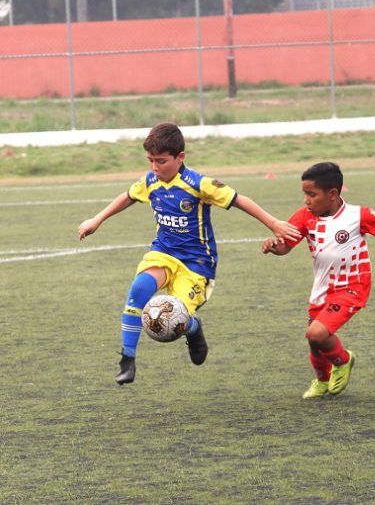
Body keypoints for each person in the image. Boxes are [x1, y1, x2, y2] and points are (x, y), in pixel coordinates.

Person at [78, 122, 300, 385]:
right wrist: (98, 219)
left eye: (160, 161)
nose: (154, 168)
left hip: (197, 264)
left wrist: (273, 223)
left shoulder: (199, 184)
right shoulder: (150, 181)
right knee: (138, 289)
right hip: (164, 253)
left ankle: (194, 330)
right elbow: (128, 196)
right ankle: (127, 360)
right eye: (150, 161)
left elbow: (239, 199)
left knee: (178, 319)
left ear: (180, 157)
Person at [261, 162, 375, 399]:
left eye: (311, 194)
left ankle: (343, 360)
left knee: (317, 334)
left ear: (332, 194)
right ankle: (322, 380)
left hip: (352, 286)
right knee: (314, 340)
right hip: (322, 288)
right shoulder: (304, 216)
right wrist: (273, 246)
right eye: (304, 194)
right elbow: (285, 246)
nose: (306, 200)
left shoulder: (356, 215)